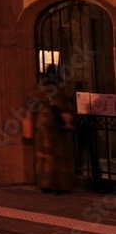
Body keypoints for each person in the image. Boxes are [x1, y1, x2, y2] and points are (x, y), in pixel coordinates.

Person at [28, 66, 74, 194]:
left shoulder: (38, 88)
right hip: (55, 123)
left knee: (43, 154)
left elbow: (31, 104)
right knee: (59, 154)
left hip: (41, 123)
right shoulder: (57, 88)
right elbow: (63, 104)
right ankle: (60, 185)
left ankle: (45, 183)